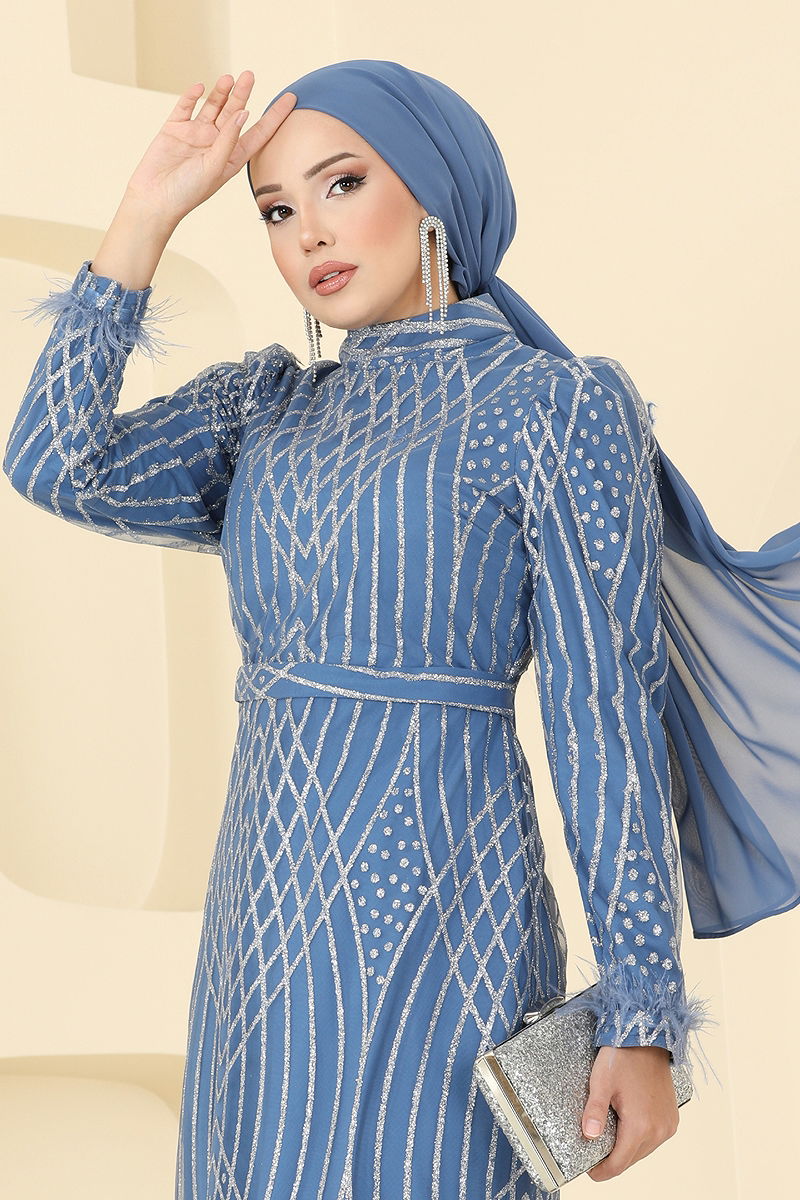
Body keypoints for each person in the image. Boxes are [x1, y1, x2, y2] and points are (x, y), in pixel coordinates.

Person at [3, 59, 798, 1200]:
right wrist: (148, 209)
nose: (308, 234)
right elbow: (55, 462)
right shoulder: (265, 409)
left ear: (433, 186)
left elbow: (603, 716)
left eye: (341, 184)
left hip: (447, 922)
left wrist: (641, 1014)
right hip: (259, 939)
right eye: (275, 210)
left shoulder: (556, 410)